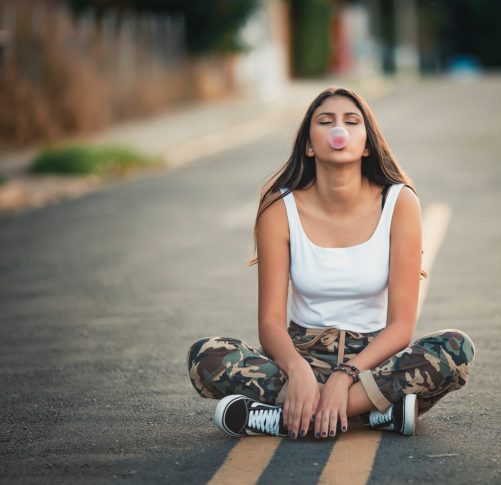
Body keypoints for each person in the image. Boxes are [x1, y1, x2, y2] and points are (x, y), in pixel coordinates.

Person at [186, 86, 475, 440]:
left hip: (372, 362)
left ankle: (287, 417)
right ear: (310, 144)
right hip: (300, 356)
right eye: (325, 121)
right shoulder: (280, 207)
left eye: (352, 121)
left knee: (455, 349)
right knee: (207, 356)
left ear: (366, 143)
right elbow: (271, 322)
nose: (339, 129)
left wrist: (346, 375)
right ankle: (372, 413)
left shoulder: (399, 202)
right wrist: (298, 371)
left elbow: (400, 327)